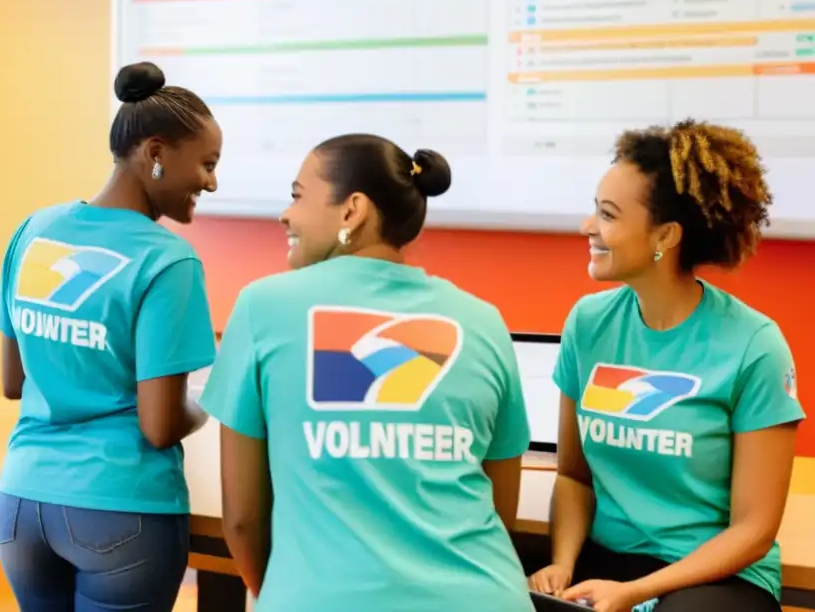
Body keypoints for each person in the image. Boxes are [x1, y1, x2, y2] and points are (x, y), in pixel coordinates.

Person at [200, 134, 535, 612]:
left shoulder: (262, 306)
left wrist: (285, 591)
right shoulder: (483, 320)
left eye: (297, 195)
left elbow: (241, 519)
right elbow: (501, 508)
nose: (285, 214)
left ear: (352, 211)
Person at [528, 120, 806, 612]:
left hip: (716, 576)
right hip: (608, 559)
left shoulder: (754, 345)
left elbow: (755, 529)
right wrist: (563, 563)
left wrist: (638, 593)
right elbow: (574, 476)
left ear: (666, 235)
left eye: (607, 215)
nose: (586, 227)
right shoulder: (588, 323)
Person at [0, 62, 221, 612]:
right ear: (157, 153)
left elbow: (11, 382)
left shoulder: (35, 229)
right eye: (207, 164)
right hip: (121, 510)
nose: (212, 182)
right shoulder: (168, 260)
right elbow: (160, 424)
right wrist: (203, 404)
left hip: (21, 507)